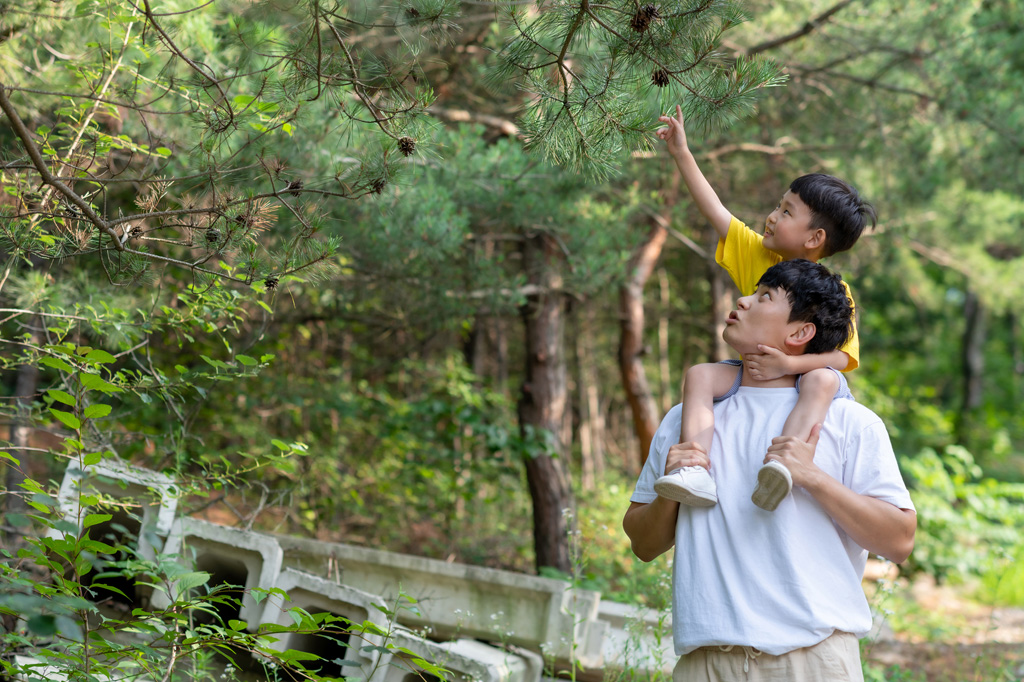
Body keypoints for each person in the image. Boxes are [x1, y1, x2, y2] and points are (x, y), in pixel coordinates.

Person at [622, 258, 916, 681]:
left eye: (764, 297)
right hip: (704, 665)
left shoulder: (850, 422)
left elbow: (900, 541)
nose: (741, 300)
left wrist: (812, 476)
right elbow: (643, 544)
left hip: (812, 662)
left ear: (799, 333)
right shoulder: (688, 419)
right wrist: (671, 492)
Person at [652, 105, 877, 512]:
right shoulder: (760, 256)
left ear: (815, 238)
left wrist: (788, 366)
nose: (772, 217)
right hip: (754, 376)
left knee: (821, 381)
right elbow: (716, 211)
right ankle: (695, 468)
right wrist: (682, 153)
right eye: (778, 205)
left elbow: (843, 358)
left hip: (798, 376)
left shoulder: (833, 291)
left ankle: (784, 463)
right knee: (701, 376)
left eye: (787, 212)